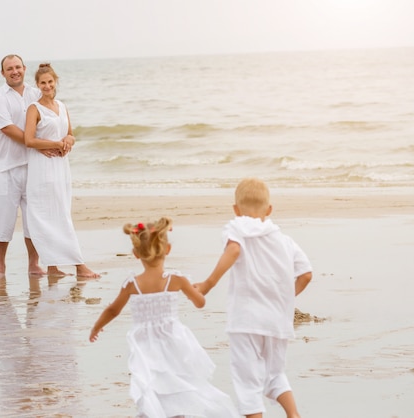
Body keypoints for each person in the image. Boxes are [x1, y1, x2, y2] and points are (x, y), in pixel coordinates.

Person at [89, 217, 239, 418]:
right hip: (174, 342)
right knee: (177, 382)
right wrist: (195, 290)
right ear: (167, 249)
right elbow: (200, 302)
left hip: (145, 346)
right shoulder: (176, 280)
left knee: (151, 385)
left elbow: (113, 310)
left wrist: (97, 327)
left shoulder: (132, 284)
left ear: (136, 254)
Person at [194, 178, 313, 418]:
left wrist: (208, 284)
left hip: (245, 320)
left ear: (236, 210)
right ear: (269, 210)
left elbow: (234, 250)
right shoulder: (284, 240)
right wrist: (285, 300)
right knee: (275, 375)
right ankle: (293, 415)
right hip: (277, 321)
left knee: (247, 381)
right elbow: (306, 275)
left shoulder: (236, 228)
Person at [24, 63, 99, 279]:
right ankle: (79, 266)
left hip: (61, 167)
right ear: (37, 85)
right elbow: (29, 140)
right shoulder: (34, 109)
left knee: (60, 212)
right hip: (42, 168)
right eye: (42, 83)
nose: (47, 86)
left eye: (50, 82)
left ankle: (53, 267)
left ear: (55, 82)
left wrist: (68, 141)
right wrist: (55, 144)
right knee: (48, 216)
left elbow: (70, 134)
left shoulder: (62, 106)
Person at [0, 54, 47, 280]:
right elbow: (8, 129)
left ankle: (34, 264)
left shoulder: (36, 94)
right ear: (3, 73)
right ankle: (0, 267)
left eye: (18, 67)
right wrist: (39, 144)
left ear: (24, 68)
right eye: (9, 69)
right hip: (5, 168)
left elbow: (47, 121)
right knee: (2, 220)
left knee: (34, 220)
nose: (15, 71)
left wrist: (63, 139)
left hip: (33, 167)